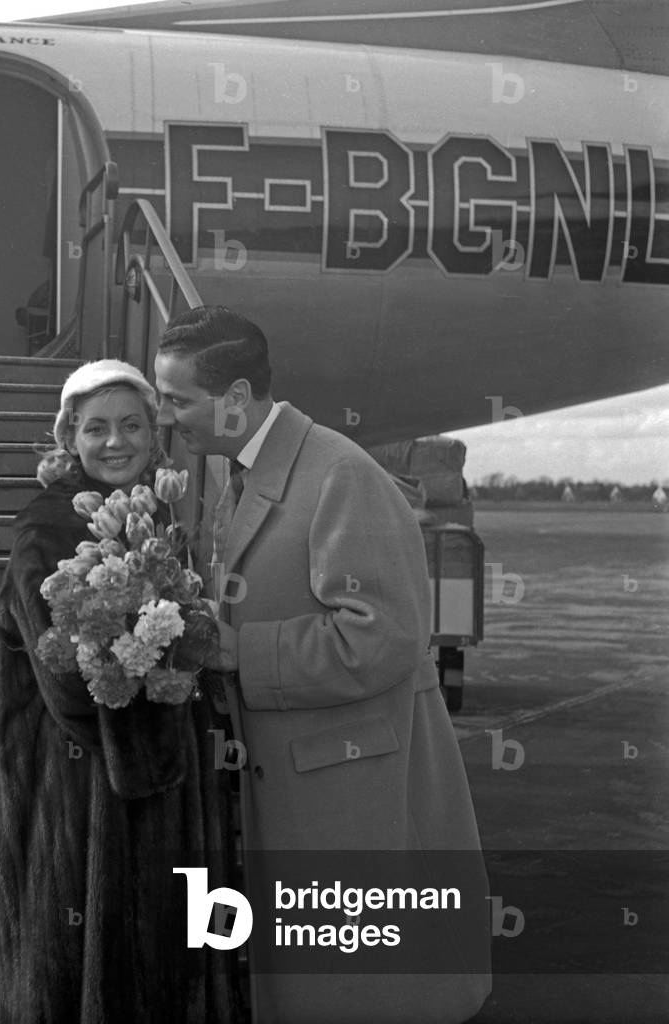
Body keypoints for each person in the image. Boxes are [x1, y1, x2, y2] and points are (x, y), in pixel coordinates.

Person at [154, 307, 492, 1024]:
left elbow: (383, 636)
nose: (166, 416)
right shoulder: (248, 473)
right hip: (307, 784)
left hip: (352, 795)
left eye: (178, 399)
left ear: (236, 398)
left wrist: (238, 649)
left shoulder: (341, 474)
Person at [0, 359, 241, 1024]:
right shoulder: (46, 527)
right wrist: (153, 756)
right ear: (70, 437)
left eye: (132, 425)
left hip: (152, 786)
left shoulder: (156, 515)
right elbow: (67, 682)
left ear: (153, 436)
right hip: (85, 787)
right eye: (96, 428)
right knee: (91, 963)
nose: (115, 441)